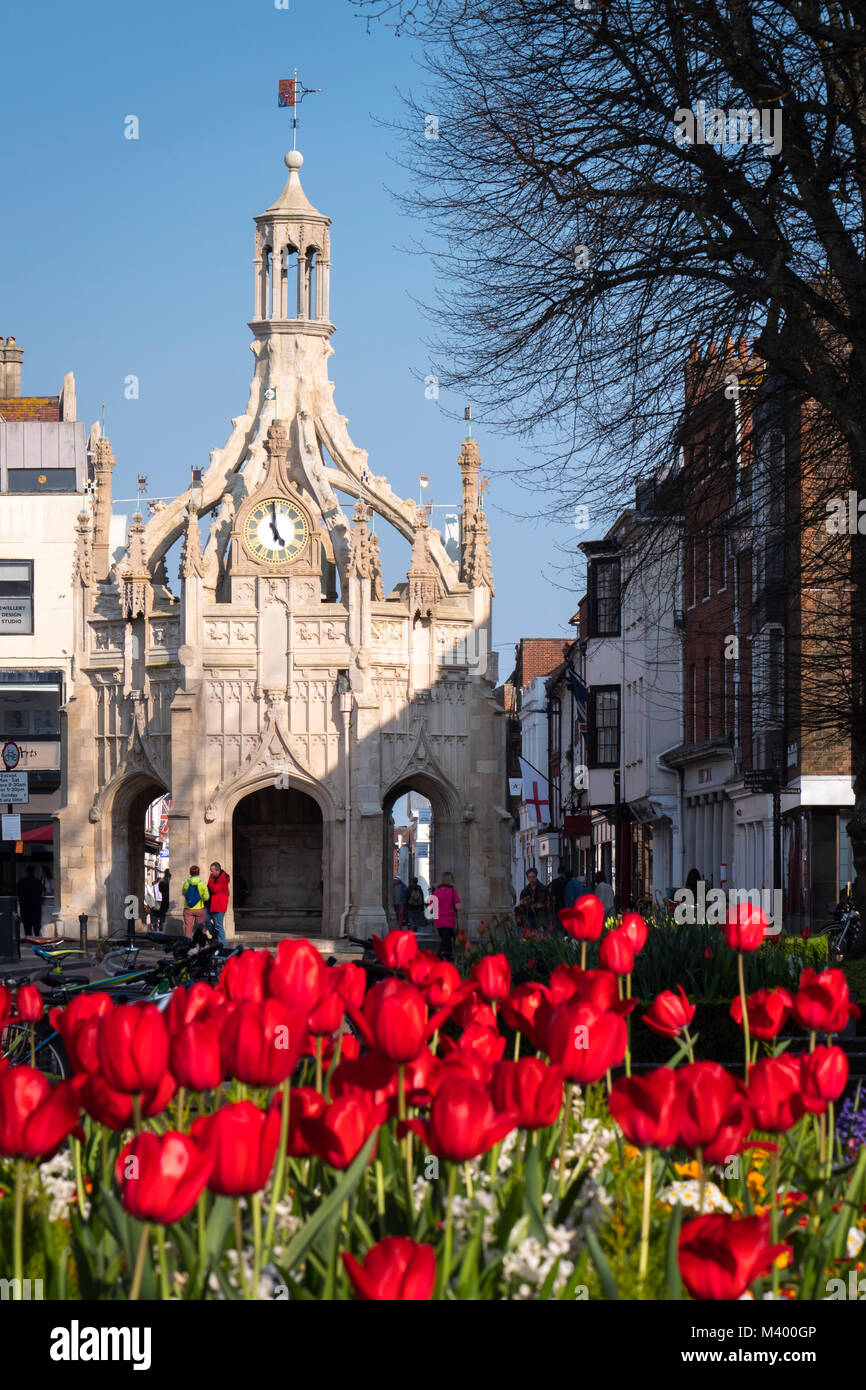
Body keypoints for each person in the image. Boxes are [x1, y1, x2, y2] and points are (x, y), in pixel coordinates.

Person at [430, 870, 461, 960]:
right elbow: (458, 907)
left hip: (438, 922)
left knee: (446, 941)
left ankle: (450, 958)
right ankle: (436, 959)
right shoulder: (452, 891)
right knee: (444, 943)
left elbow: (431, 909)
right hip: (449, 920)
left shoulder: (436, 892)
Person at [181, 864, 209, 939]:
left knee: (188, 928)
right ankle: (201, 946)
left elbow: (184, 893)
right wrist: (201, 897)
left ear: (190, 873)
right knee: (201, 928)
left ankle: (188, 946)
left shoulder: (186, 883)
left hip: (188, 908)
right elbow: (206, 897)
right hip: (199, 908)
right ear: (198, 873)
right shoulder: (202, 884)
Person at [206, 862, 230, 946]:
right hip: (210, 905)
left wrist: (211, 879)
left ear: (218, 870)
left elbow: (214, 889)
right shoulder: (214, 877)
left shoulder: (224, 879)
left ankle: (222, 945)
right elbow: (209, 887)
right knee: (205, 919)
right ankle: (215, 936)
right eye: (210, 871)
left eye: (212, 871)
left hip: (218, 906)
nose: (211, 873)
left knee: (218, 927)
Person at [519, 867, 550, 931]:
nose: (531, 879)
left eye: (533, 877)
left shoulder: (543, 889)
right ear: (527, 878)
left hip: (540, 917)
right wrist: (522, 903)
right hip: (528, 917)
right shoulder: (525, 891)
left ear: (536, 877)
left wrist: (543, 905)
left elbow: (550, 902)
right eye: (529, 877)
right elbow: (521, 903)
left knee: (540, 936)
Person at [16, 863, 42, 937]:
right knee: (36, 926)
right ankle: (37, 939)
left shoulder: (21, 882)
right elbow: (40, 893)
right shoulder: (37, 882)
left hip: (25, 907)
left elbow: (18, 893)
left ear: (26, 872)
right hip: (35, 907)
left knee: (27, 926)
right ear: (34, 872)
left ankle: (28, 938)